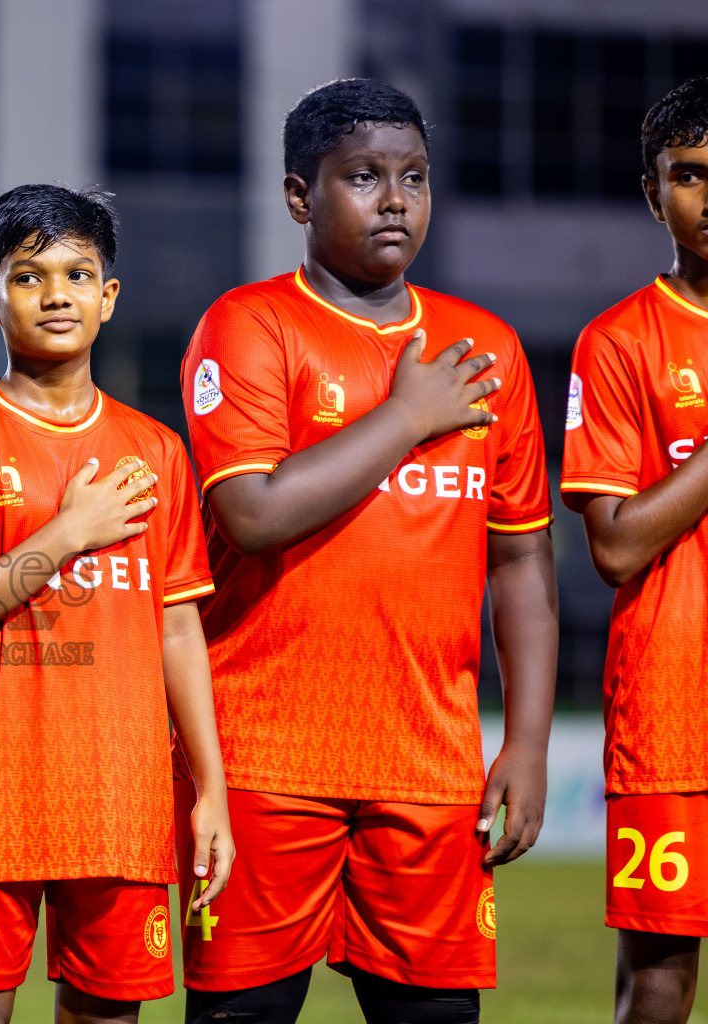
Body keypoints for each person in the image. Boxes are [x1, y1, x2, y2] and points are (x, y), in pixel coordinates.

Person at [179, 78, 558, 1024]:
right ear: (301, 197)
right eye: (363, 176)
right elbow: (253, 516)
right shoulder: (250, 326)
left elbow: (522, 566)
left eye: (414, 177)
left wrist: (530, 742)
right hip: (265, 760)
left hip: (429, 767)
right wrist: (406, 418)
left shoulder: (487, 349)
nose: (396, 199)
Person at [0, 183, 232, 1024]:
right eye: (29, 276)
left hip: (120, 796)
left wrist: (210, 792)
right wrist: (70, 531)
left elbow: (180, 629)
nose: (57, 295)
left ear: (109, 296)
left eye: (78, 274)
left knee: (108, 1015)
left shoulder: (157, 450)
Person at [561, 76, 708, 1024]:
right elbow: (613, 549)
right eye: (691, 176)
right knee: (659, 974)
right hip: (674, 698)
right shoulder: (619, 343)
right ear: (654, 194)